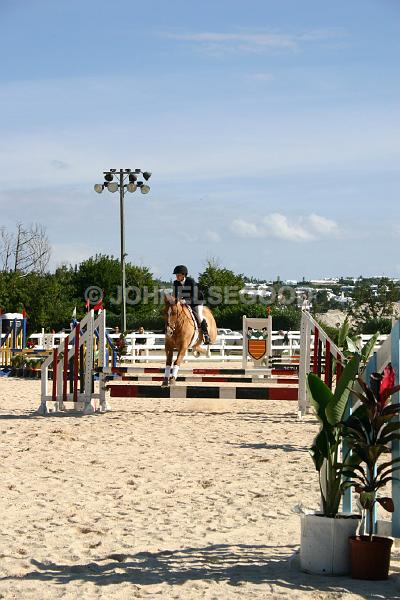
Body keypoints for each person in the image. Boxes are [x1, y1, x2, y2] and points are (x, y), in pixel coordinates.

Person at [172, 265, 210, 344]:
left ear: (183, 275)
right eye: (176, 275)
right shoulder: (176, 283)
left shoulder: (191, 281)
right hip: (184, 301)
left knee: (199, 315)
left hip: (196, 301)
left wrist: (185, 301)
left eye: (178, 275)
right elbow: (175, 296)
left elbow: (194, 297)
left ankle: (206, 334)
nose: (176, 277)